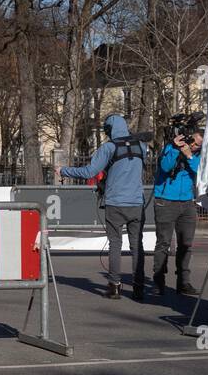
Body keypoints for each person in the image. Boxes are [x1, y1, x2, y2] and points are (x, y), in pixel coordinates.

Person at [58, 114, 148, 300]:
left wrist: (64, 170)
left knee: (115, 244)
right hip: (137, 203)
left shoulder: (109, 147)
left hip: (115, 202)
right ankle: (139, 287)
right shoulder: (142, 146)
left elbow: (90, 171)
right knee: (136, 245)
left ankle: (114, 286)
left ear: (109, 130)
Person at [152, 124, 203, 297]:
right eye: (193, 142)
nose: (193, 146)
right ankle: (158, 281)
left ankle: (183, 282)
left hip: (187, 202)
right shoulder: (171, 146)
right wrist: (175, 148)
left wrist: (189, 155)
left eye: (197, 145)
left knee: (186, 244)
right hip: (165, 201)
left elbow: (201, 172)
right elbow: (165, 167)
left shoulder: (196, 155)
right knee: (163, 243)